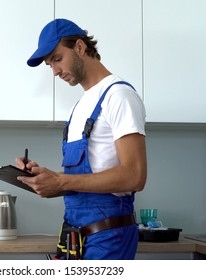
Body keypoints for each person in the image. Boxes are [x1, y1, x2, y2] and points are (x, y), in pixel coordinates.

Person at [16, 18, 147, 260]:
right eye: (49, 65)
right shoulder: (78, 108)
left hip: (109, 238)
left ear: (79, 47)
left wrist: (61, 181)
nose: (54, 71)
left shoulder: (119, 96)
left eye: (57, 59)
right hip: (75, 237)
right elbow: (78, 184)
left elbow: (135, 176)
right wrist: (45, 179)